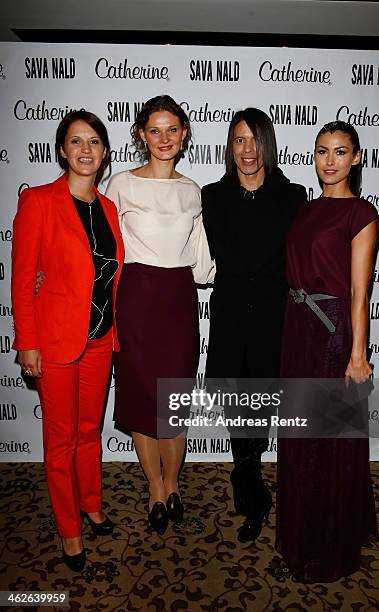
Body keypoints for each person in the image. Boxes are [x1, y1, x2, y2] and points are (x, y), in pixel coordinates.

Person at [11, 110, 124, 572]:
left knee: (89, 432)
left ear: (104, 152)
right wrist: (27, 343)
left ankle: (91, 503)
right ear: (61, 149)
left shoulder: (109, 208)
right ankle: (68, 528)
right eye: (76, 141)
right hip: (54, 342)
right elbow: (21, 282)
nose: (85, 150)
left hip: (100, 339)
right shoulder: (38, 202)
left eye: (94, 141)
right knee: (60, 442)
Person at [276, 120, 379, 582]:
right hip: (297, 329)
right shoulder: (304, 208)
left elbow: (360, 293)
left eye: (340, 151)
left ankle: (324, 546)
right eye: (322, 151)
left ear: (356, 158)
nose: (330, 160)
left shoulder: (361, 214)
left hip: (332, 332)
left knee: (325, 440)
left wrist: (357, 354)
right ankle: (301, 531)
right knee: (300, 435)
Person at [105, 95, 213, 535]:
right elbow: (104, 251)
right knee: (141, 399)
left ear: (184, 133)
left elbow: (203, 258)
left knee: (173, 401)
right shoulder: (119, 185)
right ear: (141, 135)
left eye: (172, 129)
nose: (164, 138)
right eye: (155, 130)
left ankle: (174, 485)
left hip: (177, 299)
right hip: (135, 299)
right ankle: (154, 488)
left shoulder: (192, 190)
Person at [201, 108, 306, 542]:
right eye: (239, 140)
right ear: (230, 146)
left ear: (268, 143)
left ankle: (251, 494)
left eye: (254, 139)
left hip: (271, 323)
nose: (247, 149)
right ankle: (251, 490)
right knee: (235, 413)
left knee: (259, 413)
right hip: (227, 323)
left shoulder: (293, 195)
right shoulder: (212, 194)